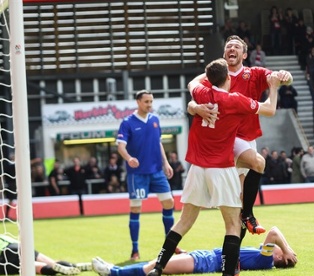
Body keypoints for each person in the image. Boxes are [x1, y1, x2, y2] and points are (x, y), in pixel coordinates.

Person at [145, 58, 281, 276]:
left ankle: (158, 267)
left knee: (184, 221)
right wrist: (273, 87)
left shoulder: (202, 93)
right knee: (233, 225)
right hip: (222, 167)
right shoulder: (236, 100)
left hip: (197, 168)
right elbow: (269, 109)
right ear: (228, 78)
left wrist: (196, 105)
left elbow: (192, 83)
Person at [188, 35, 293, 235]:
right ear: (224, 54)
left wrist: (284, 76)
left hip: (247, 140)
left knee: (241, 201)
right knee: (257, 166)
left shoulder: (254, 74)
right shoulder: (216, 77)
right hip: (227, 139)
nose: (232, 49)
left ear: (244, 54)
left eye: (236, 47)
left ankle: (237, 249)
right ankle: (248, 215)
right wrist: (195, 107)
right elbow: (192, 92)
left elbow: (277, 78)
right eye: (228, 46)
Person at [116, 90, 180, 261]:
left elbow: (158, 143)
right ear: (138, 102)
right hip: (137, 174)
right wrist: (129, 159)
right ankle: (135, 250)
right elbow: (121, 147)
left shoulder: (155, 120)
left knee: (169, 203)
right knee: (136, 208)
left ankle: (171, 246)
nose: (150, 105)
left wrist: (165, 163)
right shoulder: (127, 122)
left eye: (151, 101)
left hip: (157, 172)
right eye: (146, 102)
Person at [91, 226, 297, 276]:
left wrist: (288, 250)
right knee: (156, 262)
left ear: (278, 256)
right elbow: (270, 236)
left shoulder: (266, 261)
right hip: (205, 256)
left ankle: (112, 272)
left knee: (155, 267)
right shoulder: (263, 256)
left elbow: (274, 232)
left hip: (206, 262)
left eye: (278, 250)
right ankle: (114, 270)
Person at [0, 234, 91, 275]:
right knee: (53, 262)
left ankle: (57, 269)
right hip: (18, 245)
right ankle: (85, 266)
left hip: (4, 256)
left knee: (38, 268)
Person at [1, 153, 16, 219]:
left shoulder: (6, 166)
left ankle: (7, 215)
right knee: (10, 200)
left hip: (11, 185)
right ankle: (7, 215)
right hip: (12, 185)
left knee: (11, 200)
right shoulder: (13, 166)